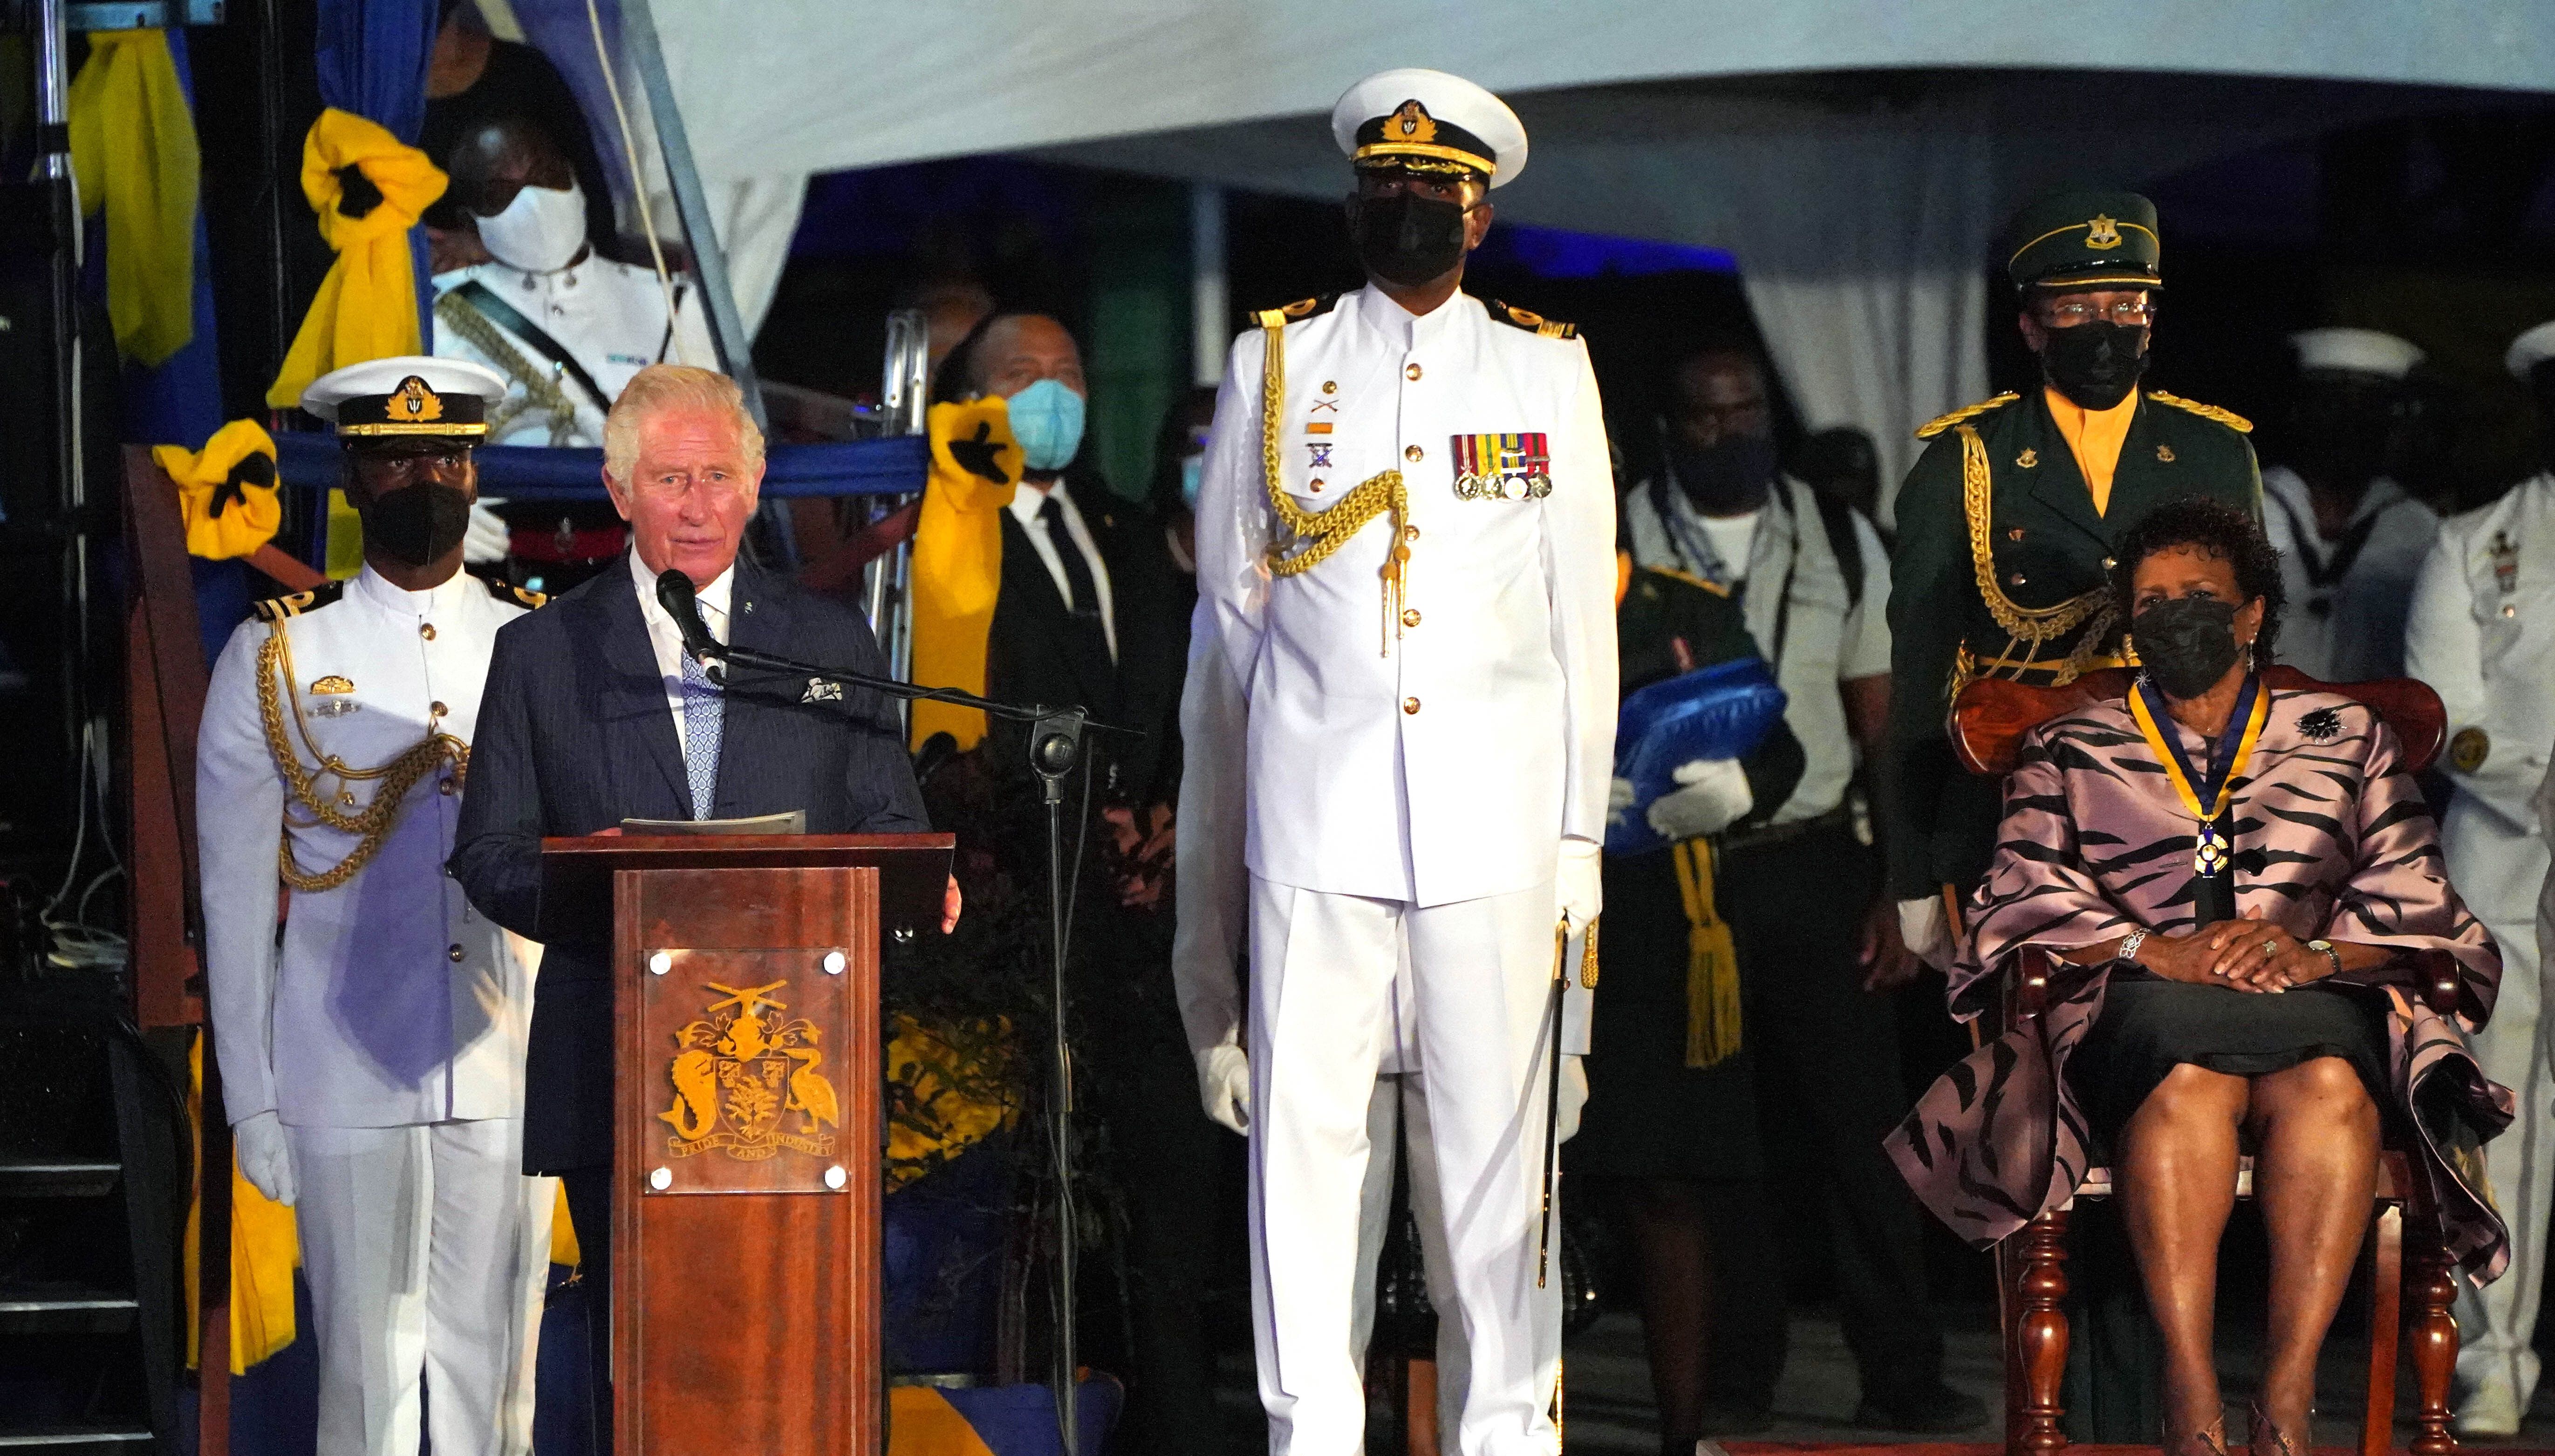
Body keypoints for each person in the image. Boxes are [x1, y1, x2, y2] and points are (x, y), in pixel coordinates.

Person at [1180, 67, 1614, 1454]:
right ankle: (1307, 1433)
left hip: (1492, 837)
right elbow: (1234, 621)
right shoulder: (1279, 362)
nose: (1404, 211)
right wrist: (1277, 781)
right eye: (1382, 191)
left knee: (1501, 1178)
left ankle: (1505, 1437)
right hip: (1317, 828)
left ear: (1479, 217)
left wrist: (1576, 847)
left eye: (1432, 194)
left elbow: (1574, 636)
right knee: (1304, 1177)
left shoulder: (1545, 367)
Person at [1889, 497, 2508, 1456]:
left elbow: (2415, 886)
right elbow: (2019, 895)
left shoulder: (2343, 734)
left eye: (2199, 596)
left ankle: (2290, 1396)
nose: (2174, 614)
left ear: (2253, 611)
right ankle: (2191, 1390)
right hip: (2140, 1006)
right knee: (2185, 1085)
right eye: (2151, 598)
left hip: (2311, 999)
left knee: (2335, 1092)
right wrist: (2151, 947)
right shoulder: (2073, 743)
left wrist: (2319, 952)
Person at [448, 364, 950, 1453]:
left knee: (801, 1364)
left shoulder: (828, 646)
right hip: (620, 1075)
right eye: (670, 477)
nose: (696, 504)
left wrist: (920, 879)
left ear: (758, 479)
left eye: (718, 475)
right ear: (618, 488)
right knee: (653, 1370)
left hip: (799, 1090)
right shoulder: (540, 655)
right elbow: (486, 851)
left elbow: (882, 820)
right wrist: (617, 890)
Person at [1616, 339, 1979, 1434]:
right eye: (1705, 416)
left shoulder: (1836, 534)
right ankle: (1736, 1374)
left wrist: (1896, 885)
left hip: (1813, 856)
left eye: (1746, 411)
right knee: (1714, 1142)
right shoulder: (1615, 530)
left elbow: (1881, 721)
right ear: (1671, 428)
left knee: (1863, 1128)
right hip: (1672, 875)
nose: (1730, 432)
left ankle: (1898, 1368)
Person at [197, 356, 552, 1456]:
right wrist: (252, 1101)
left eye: (445, 454)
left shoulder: (536, 642)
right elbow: (235, 891)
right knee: (366, 1377)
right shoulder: (281, 651)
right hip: (341, 1067)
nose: (424, 476)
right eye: (397, 456)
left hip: (510, 1060)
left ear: (477, 467)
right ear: (353, 475)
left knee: (500, 1376)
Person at [1887, 189, 2262, 967]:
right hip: (2007, 802)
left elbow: (2251, 654)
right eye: (2074, 308)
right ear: (2029, 325)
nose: (2105, 329)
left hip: (2178, 803)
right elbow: (1917, 676)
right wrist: (1912, 873)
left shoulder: (2212, 456)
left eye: (2126, 305)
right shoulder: (1964, 463)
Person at [1565, 547, 1802, 1454]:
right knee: (1512, 1185)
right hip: (1522, 905)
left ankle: (1681, 1434)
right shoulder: (1492, 578)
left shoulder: (1687, 609)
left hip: (1663, 918)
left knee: (1665, 1185)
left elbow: (1777, 743)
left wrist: (1736, 790)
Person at [2402, 317, 2555, 1436]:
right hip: (2508, 862)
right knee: (2502, 1120)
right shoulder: (2474, 543)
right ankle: (2491, 1362)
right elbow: (2444, 722)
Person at [432, 116, 714, 450]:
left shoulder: (672, 303)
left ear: (576, 185)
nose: (535, 200)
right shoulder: (439, 310)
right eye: (502, 192)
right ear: (470, 222)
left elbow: (708, 444)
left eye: (546, 176)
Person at [2259, 327, 2438, 682]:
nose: (2349, 427)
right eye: (2330, 406)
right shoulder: (2243, 506)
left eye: (2369, 410)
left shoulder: (2420, 529)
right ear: (2298, 412)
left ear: (2392, 426)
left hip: (2377, 728)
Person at [421, 0, 619, 265]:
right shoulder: (372, 99)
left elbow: (592, 192)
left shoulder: (525, 74)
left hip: (549, 273)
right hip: (434, 278)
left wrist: (489, 247)